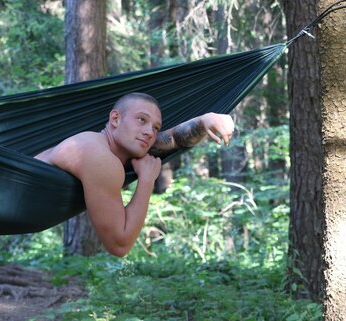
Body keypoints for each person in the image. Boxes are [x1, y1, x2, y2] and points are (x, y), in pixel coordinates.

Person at [35, 92, 235, 257]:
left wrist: (207, 119)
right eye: (141, 120)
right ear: (115, 119)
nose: (149, 132)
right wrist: (146, 180)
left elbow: (173, 138)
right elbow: (119, 245)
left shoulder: (115, 147)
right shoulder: (99, 157)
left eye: (156, 127)